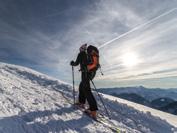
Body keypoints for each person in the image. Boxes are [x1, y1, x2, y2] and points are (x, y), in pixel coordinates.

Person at [70, 44, 98, 118]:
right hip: (90, 74)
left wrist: (72, 63)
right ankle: (81, 102)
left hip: (85, 73)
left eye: (80, 49)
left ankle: (93, 110)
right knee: (82, 86)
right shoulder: (88, 55)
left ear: (81, 49)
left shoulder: (81, 54)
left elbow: (76, 63)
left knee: (87, 90)